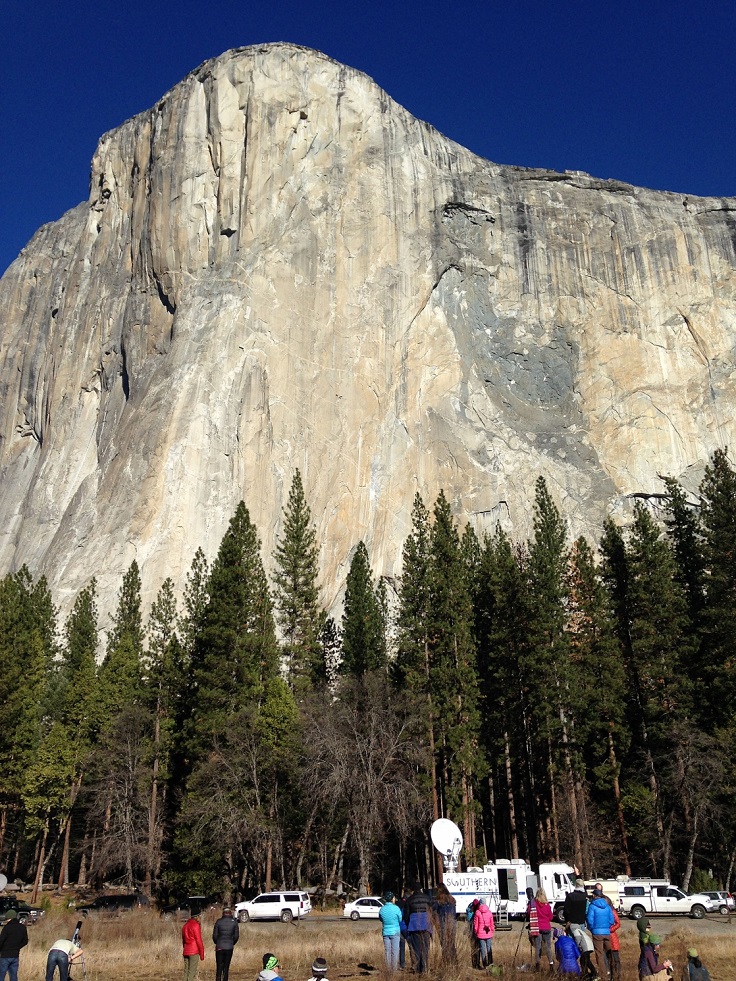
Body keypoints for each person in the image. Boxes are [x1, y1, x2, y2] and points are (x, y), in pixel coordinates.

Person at [403, 883, 433, 974]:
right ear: (421, 889)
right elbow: (431, 912)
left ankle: (418, 969)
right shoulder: (427, 898)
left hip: (414, 926)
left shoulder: (409, 900)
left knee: (416, 948)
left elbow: (406, 915)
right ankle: (425, 968)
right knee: (425, 948)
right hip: (426, 926)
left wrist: (409, 925)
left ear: (413, 890)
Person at [586, 885, 614, 980]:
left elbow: (589, 920)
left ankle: (603, 975)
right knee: (610, 953)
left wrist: (592, 928)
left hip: (597, 932)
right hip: (606, 932)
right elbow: (611, 920)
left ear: (594, 895)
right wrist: (607, 926)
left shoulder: (592, 906)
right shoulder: (607, 906)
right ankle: (613, 972)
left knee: (600, 954)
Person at [431, 883, 457, 964]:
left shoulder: (439, 901)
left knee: (444, 944)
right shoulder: (452, 899)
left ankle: (446, 962)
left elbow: (434, 912)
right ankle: (454, 961)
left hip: (443, 924)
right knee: (452, 944)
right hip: (452, 923)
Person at [0, 910, 28, 981]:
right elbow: (25, 941)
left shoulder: (7, 928)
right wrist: (17, 947)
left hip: (5, 955)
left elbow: (1, 941)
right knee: (13, 976)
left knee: (1, 976)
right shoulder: (22, 927)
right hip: (15, 955)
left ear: (9, 918)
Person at [212, 907, 239, 981]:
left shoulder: (218, 922)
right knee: (226, 967)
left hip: (219, 947)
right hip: (229, 947)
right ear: (230, 913)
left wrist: (217, 942)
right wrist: (232, 943)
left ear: (223, 913)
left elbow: (214, 936)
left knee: (219, 967)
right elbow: (236, 936)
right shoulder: (234, 922)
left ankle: (218, 979)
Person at [379, 892, 403, 971]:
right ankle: (394, 970)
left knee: (387, 952)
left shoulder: (382, 909)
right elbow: (400, 919)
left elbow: (381, 919)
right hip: (395, 931)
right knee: (395, 951)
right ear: (392, 899)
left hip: (386, 932)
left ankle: (388, 970)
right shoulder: (396, 908)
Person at [533, 888, 554, 969]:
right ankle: (551, 963)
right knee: (548, 947)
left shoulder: (534, 904)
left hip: (538, 927)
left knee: (538, 946)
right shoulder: (547, 905)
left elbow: (529, 913)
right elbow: (551, 917)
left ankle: (537, 964)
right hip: (546, 927)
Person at [471, 897, 495, 969]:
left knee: (482, 949)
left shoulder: (477, 912)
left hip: (480, 934)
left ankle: (485, 964)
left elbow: (476, 925)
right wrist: (492, 930)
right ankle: (491, 963)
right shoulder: (489, 912)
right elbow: (492, 923)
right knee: (489, 948)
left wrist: (476, 932)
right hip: (488, 933)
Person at [182, 910, 205, 981]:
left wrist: (185, 948)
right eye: (200, 916)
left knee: (186, 972)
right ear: (197, 916)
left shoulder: (185, 926)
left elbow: (183, 940)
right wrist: (202, 954)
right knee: (192, 973)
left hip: (186, 950)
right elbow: (199, 941)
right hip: (194, 951)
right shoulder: (196, 925)